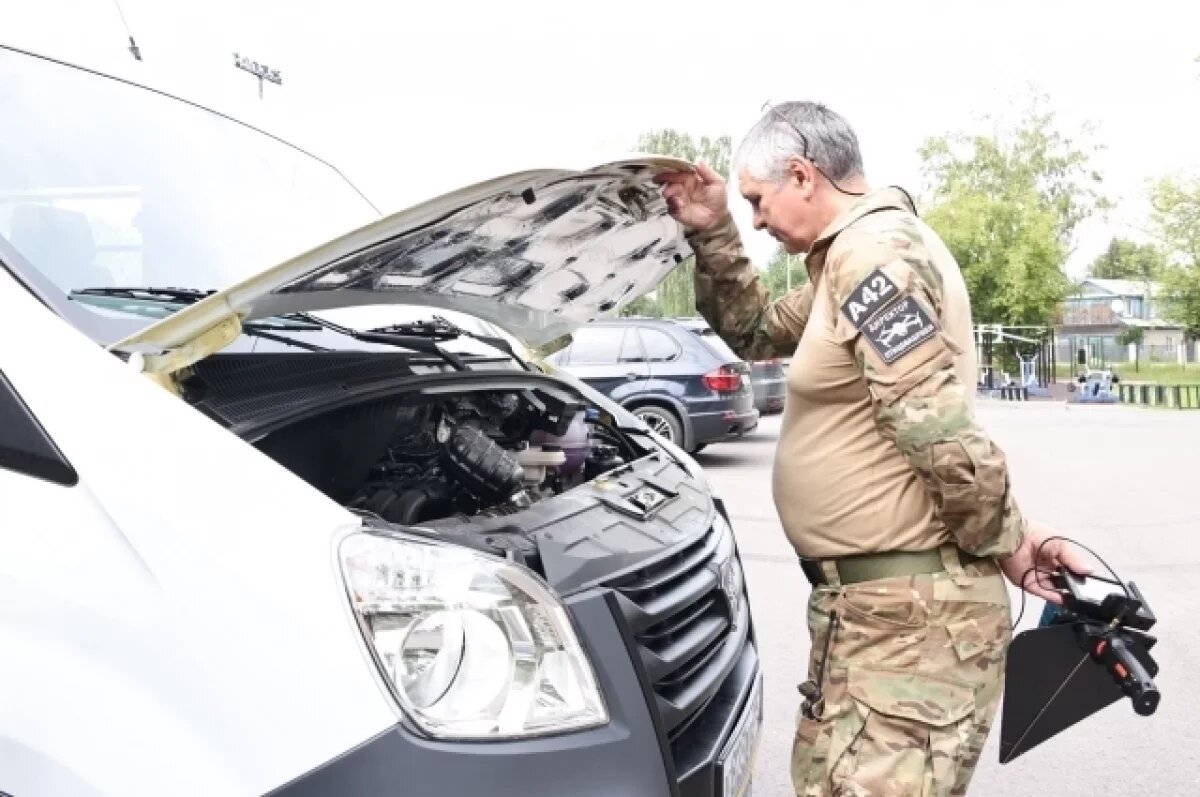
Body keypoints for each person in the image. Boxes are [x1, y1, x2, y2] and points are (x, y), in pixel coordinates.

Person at [654, 101, 1091, 796]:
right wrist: (713, 228)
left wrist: (1008, 540)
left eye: (758, 201)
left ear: (803, 174)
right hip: (876, 618)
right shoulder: (842, 264)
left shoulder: (874, 254)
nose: (760, 218)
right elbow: (758, 331)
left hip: (911, 628)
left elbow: (934, 425)